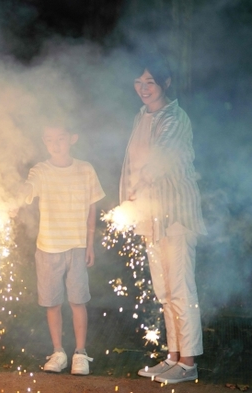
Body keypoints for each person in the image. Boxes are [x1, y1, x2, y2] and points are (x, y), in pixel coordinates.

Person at [120, 55, 206, 384]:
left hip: (176, 216)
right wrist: (130, 198)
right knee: (164, 291)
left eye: (150, 82)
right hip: (151, 216)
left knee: (182, 289)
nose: (143, 88)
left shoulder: (176, 117)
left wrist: (137, 188)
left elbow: (160, 157)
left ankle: (188, 362)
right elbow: (133, 162)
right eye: (139, 82)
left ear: (165, 83)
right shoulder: (141, 116)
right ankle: (172, 356)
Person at [16, 126, 105, 376]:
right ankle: (58, 352)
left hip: (76, 246)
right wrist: (16, 197)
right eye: (49, 140)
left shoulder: (85, 169)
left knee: (78, 300)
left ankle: (80, 353)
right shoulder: (41, 170)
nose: (55, 144)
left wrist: (90, 244)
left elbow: (92, 207)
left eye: (61, 139)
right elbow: (28, 188)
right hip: (48, 247)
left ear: (72, 139)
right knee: (52, 303)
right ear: (44, 142)